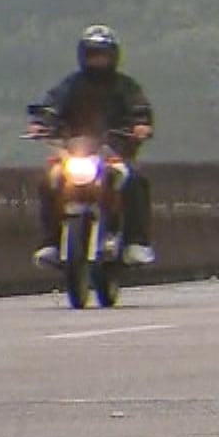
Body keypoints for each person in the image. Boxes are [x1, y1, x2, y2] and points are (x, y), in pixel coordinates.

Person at [29, 25, 156, 267]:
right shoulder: (71, 85)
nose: (98, 60)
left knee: (136, 181)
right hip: (75, 150)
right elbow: (52, 106)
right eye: (92, 54)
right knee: (49, 181)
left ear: (113, 56)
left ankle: (136, 242)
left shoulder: (125, 86)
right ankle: (50, 242)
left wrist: (140, 125)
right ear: (83, 56)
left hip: (114, 151)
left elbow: (139, 108)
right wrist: (41, 123)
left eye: (102, 55)